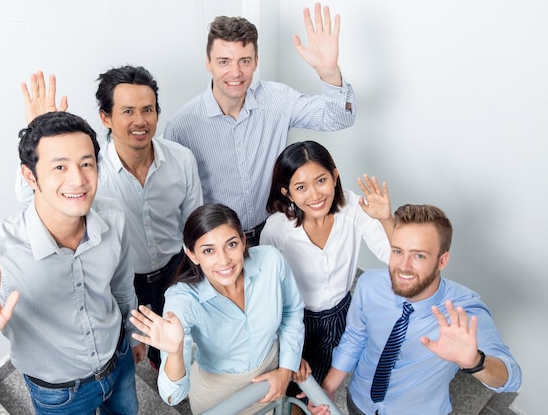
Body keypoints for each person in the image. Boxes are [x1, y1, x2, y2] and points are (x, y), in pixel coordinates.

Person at [0, 112, 145, 415]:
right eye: (60, 166)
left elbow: (122, 289)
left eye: (86, 164)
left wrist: (133, 335)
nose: (78, 180)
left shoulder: (113, 217)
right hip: (60, 396)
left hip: (119, 361)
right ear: (30, 176)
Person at [19, 67, 203, 370]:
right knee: (142, 343)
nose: (140, 121)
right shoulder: (89, 171)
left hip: (177, 270)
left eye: (147, 110)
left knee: (182, 336)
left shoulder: (182, 159)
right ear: (106, 118)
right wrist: (42, 136)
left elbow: (194, 222)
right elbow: (32, 198)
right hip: (125, 281)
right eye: (127, 111)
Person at [164, 3, 356, 245]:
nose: (235, 72)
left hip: (274, 230)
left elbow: (339, 117)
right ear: (208, 63)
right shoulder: (181, 126)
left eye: (244, 61)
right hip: (219, 241)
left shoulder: (277, 99)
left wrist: (329, 72)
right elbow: (173, 199)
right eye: (224, 61)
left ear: (256, 61)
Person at [310, 204, 522, 415]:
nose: (403, 266)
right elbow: (355, 337)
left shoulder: (463, 311)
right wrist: (328, 388)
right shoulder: (369, 285)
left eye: (418, 256)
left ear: (442, 260)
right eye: (397, 251)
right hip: (360, 401)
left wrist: (476, 362)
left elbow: (511, 378)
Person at [129, 203, 305, 415]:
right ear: (192, 255)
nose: (224, 261)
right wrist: (174, 352)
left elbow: (292, 312)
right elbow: (172, 395)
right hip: (220, 398)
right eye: (208, 250)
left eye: (231, 245)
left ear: (243, 241)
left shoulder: (270, 261)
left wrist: (285, 371)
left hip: (271, 374)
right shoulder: (182, 299)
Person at [260, 141, 393, 402]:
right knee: (290, 390)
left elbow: (394, 256)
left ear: (334, 176)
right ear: (287, 193)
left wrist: (386, 219)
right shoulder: (276, 230)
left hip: (341, 313)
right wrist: (288, 349)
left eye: (321, 180)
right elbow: (267, 294)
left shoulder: (354, 208)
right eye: (301, 187)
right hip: (295, 321)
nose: (315, 195)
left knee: (320, 391)